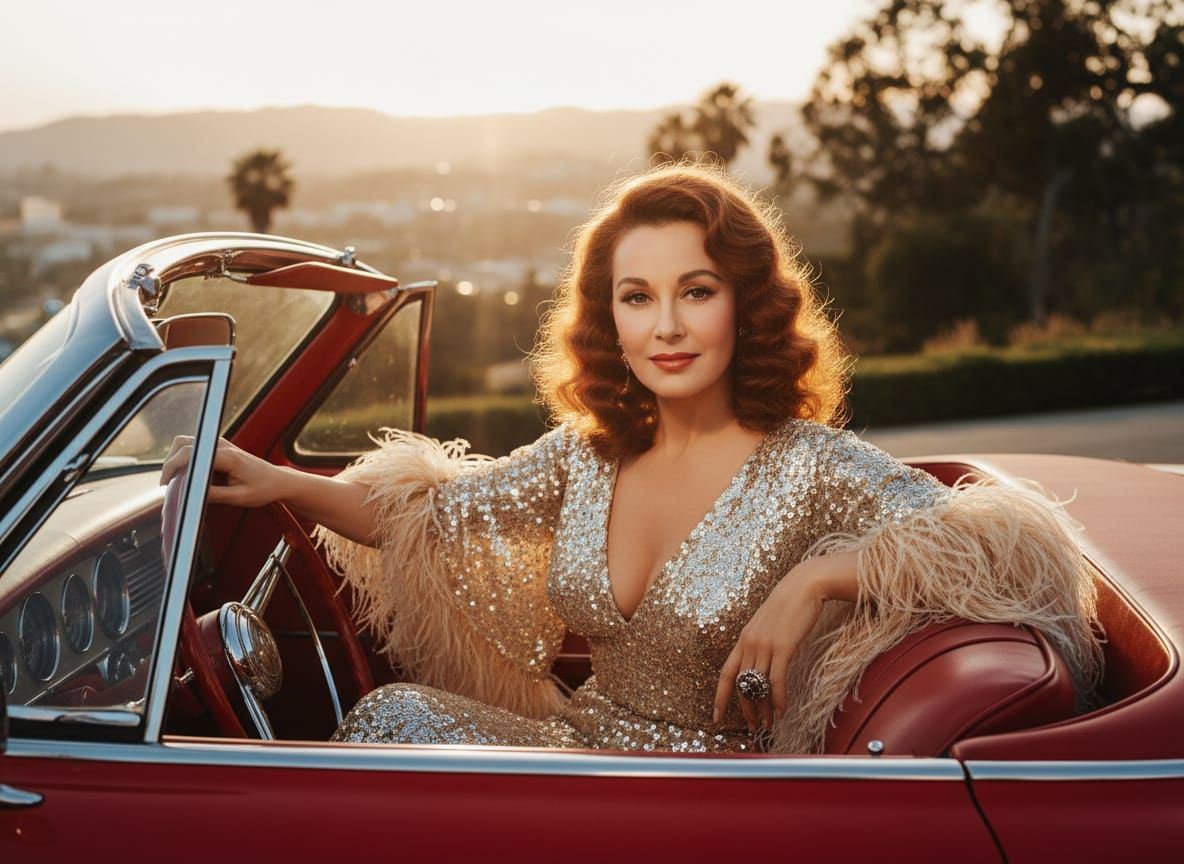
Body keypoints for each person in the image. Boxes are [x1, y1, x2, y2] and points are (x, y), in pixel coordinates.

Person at [163, 162, 1102, 754]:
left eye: (695, 291)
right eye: (636, 298)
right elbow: (435, 516)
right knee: (390, 718)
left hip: (714, 802)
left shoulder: (813, 467)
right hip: (583, 749)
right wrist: (281, 482)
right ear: (608, 318)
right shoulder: (591, 455)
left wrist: (814, 578)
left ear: (747, 306)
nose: (666, 328)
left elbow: (1012, 546)